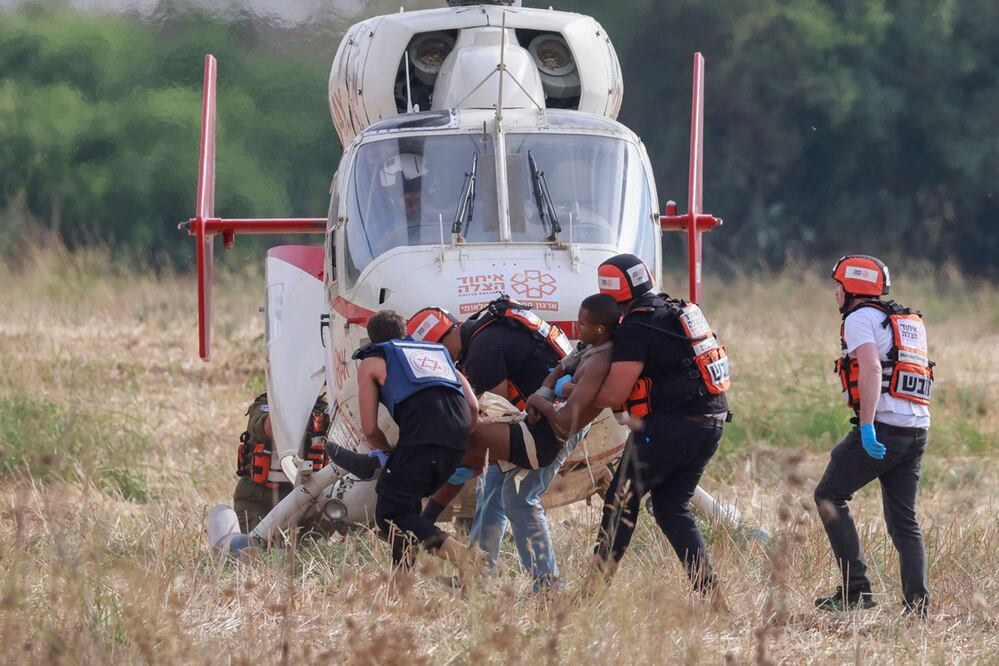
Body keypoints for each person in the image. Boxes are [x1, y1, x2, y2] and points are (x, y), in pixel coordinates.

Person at [584, 253, 731, 598]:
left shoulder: (635, 327)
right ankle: (712, 597)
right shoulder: (676, 312)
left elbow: (616, 391)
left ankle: (592, 593)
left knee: (620, 500)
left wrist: (571, 396)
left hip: (672, 427)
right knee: (670, 507)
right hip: (711, 422)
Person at [409, 301, 578, 590]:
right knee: (491, 487)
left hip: (557, 423)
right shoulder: (483, 333)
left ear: (446, 338)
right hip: (549, 416)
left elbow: (494, 417)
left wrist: (429, 513)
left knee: (519, 498)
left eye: (437, 353)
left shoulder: (481, 353)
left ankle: (548, 587)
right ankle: (476, 578)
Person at [814, 255, 933, 615]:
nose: (835, 293)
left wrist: (866, 426)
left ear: (853, 289)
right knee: (903, 521)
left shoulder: (858, 319)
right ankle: (917, 607)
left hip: (885, 428)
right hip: (917, 429)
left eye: (838, 286)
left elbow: (870, 368)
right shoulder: (906, 320)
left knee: (828, 495)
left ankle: (857, 592)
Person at [326, 309, 484, 579]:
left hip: (423, 439)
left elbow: (370, 429)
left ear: (371, 339)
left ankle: (465, 557)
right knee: (405, 509)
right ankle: (401, 585)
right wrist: (454, 440)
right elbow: (473, 406)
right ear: (406, 332)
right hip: (457, 441)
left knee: (389, 514)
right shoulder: (436, 354)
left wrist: (389, 451)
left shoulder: (373, 361)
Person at [525, 293, 619, 441]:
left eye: (582, 324)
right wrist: (542, 396)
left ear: (599, 329)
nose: (577, 327)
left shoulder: (598, 363)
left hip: (557, 436)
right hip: (550, 421)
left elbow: (564, 418)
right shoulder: (588, 345)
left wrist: (534, 400)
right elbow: (558, 371)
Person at [233, 392, 329, 533]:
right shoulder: (266, 404)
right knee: (257, 549)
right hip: (259, 501)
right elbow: (270, 428)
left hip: (307, 503)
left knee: (310, 549)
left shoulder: (325, 409)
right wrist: (302, 414)